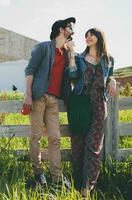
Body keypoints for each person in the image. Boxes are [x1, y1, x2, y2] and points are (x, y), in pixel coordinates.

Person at [23, 17, 76, 187]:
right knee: (36, 137)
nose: (73, 28)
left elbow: (77, 71)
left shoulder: (68, 53)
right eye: (70, 26)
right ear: (62, 29)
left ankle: (57, 178)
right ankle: (39, 174)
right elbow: (30, 70)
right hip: (38, 97)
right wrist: (28, 95)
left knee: (55, 138)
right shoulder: (43, 47)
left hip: (54, 99)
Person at [66, 28, 116, 197]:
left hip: (99, 106)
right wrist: (71, 54)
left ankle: (87, 188)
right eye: (86, 35)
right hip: (80, 103)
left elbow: (108, 78)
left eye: (91, 34)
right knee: (78, 146)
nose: (87, 37)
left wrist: (113, 80)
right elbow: (72, 76)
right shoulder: (80, 58)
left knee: (94, 147)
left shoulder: (109, 60)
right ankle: (77, 183)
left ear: (99, 37)